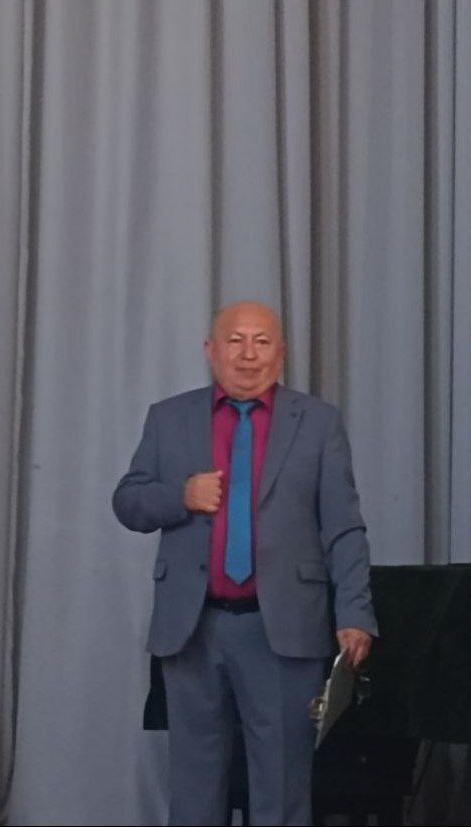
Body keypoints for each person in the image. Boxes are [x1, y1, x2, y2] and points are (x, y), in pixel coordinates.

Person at [113, 301, 377, 826]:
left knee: (282, 786)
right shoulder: (169, 417)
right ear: (211, 350)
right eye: (236, 340)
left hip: (282, 628)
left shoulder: (318, 422)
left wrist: (355, 612)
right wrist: (179, 496)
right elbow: (128, 502)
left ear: (281, 353)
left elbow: (344, 528)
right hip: (193, 628)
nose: (249, 354)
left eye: (262, 341)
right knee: (194, 787)